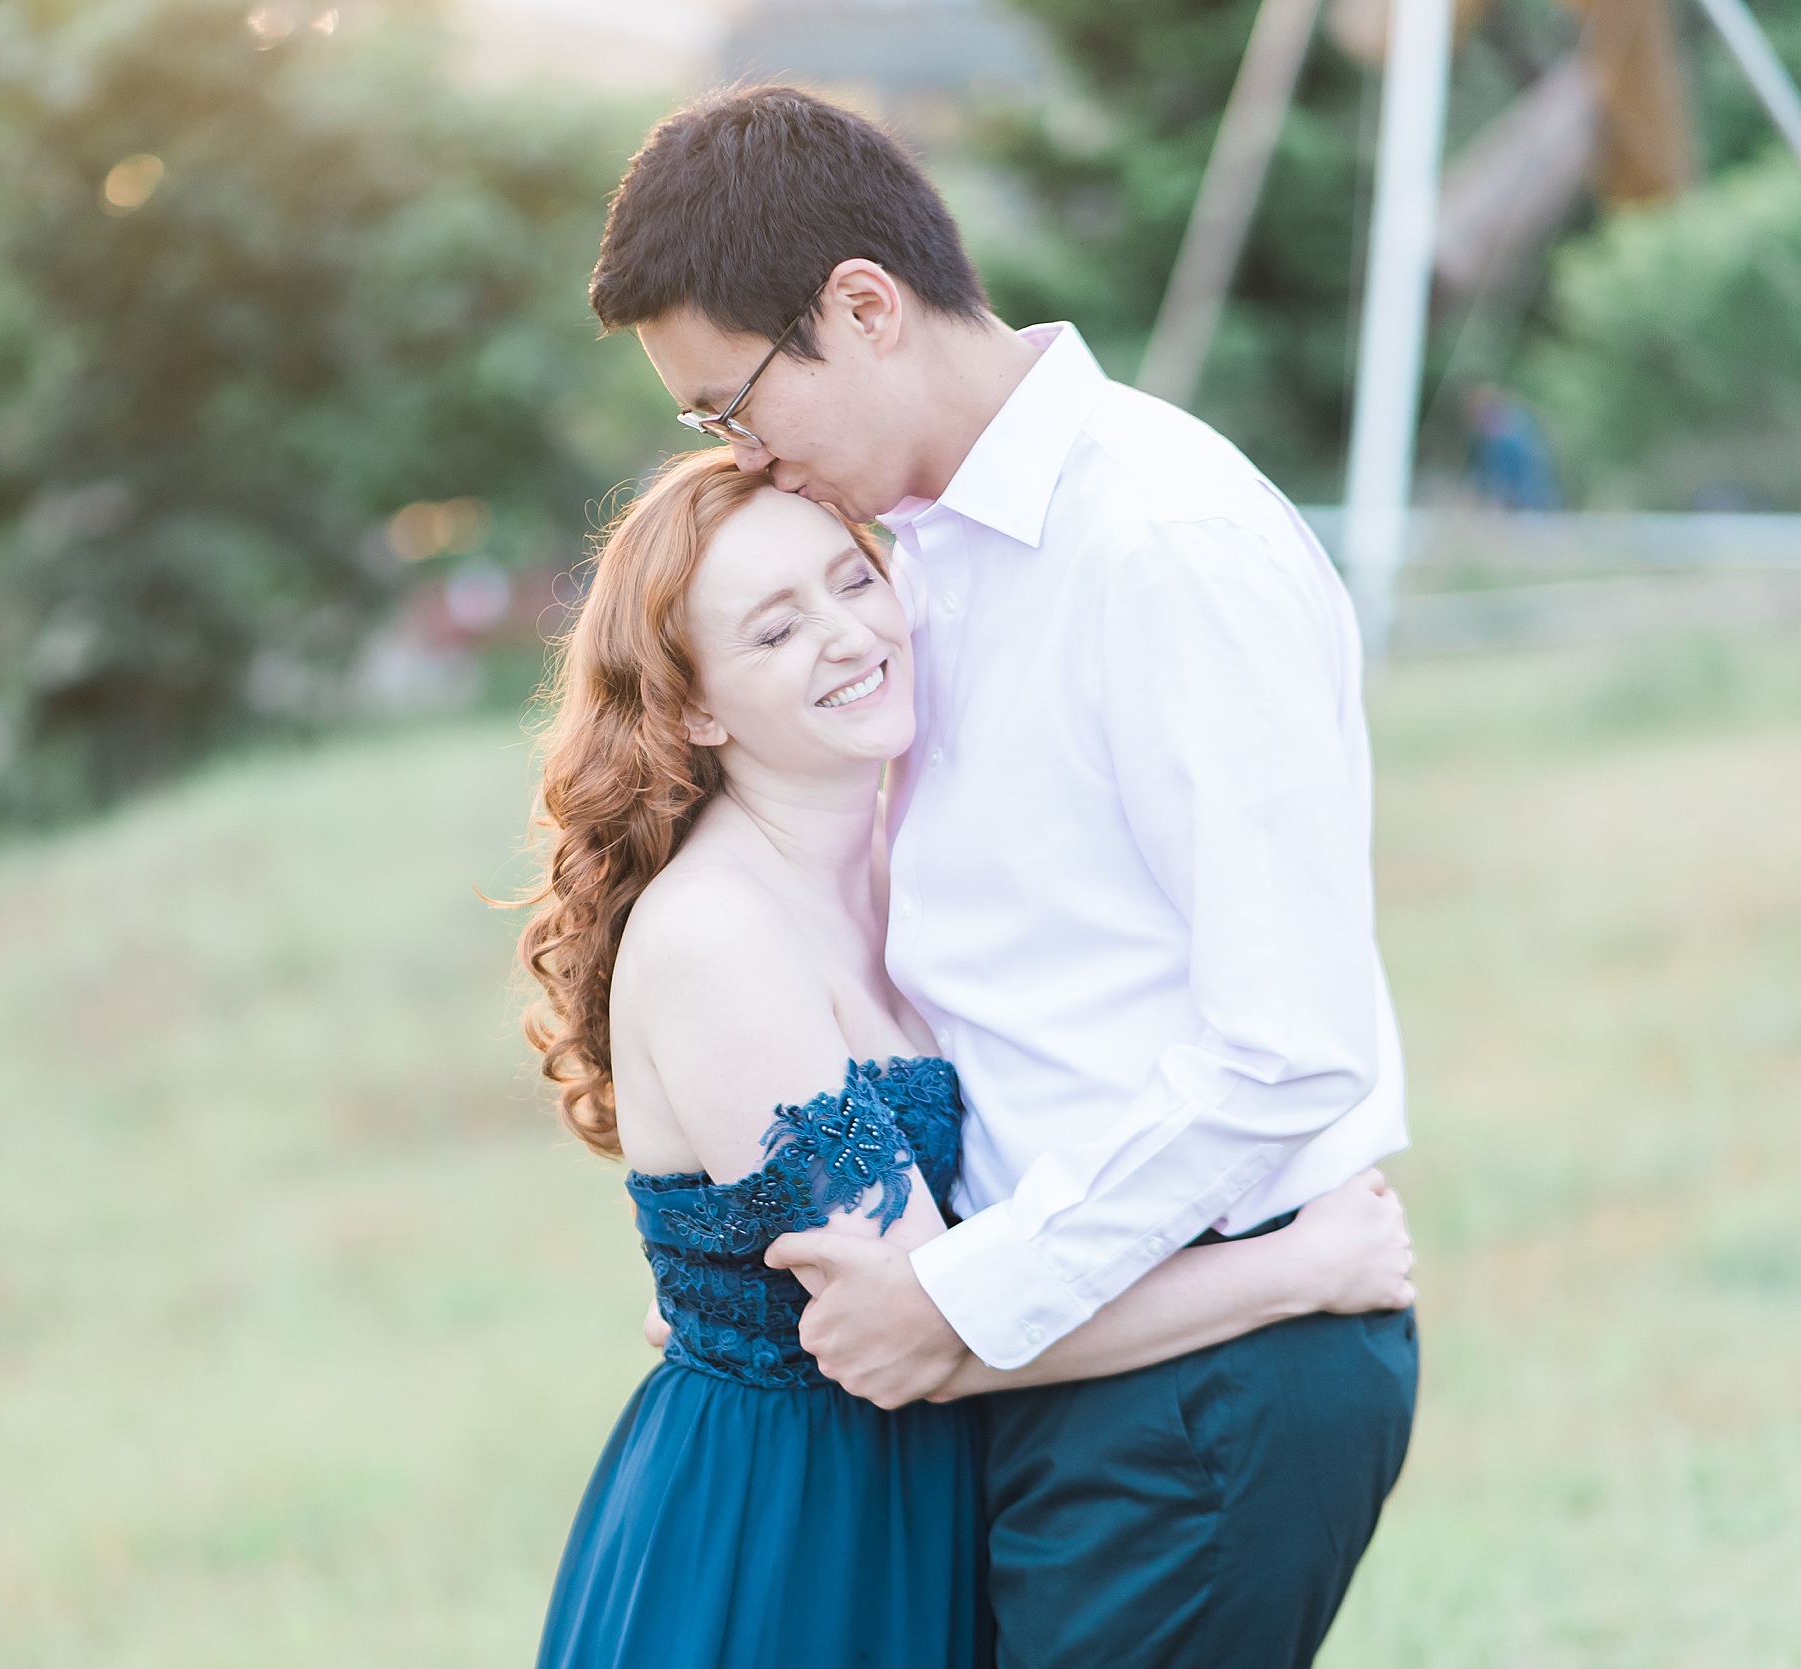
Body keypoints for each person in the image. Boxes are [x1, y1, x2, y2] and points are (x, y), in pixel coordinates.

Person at [581, 87, 1420, 1667]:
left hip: (1201, 1364)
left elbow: (1289, 1038)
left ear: (863, 307)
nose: (741, 452)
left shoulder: (1160, 544)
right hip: (1048, 1347)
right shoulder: (927, 549)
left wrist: (959, 1304)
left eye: (731, 403)